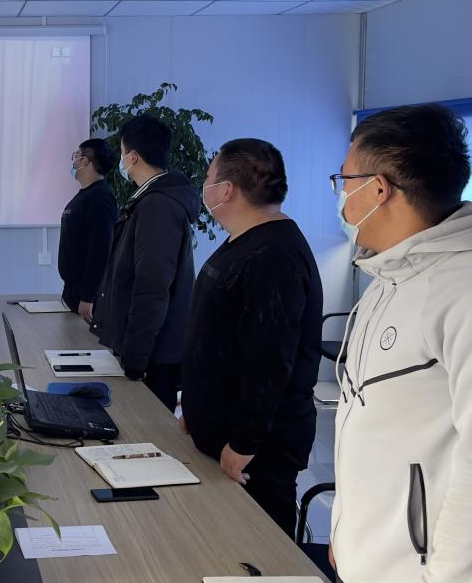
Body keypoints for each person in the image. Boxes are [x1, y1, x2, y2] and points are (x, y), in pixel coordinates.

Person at [330, 105, 472, 583]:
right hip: (368, 561)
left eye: (344, 180)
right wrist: (346, 534)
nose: (341, 194)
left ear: (378, 189)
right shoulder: (389, 278)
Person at [178, 138, 322, 536]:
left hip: (257, 448)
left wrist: (245, 443)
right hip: (221, 429)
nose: (204, 183)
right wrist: (196, 407)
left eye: (209, 176)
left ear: (226, 190)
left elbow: (270, 360)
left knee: (260, 545)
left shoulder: (275, 254)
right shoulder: (244, 239)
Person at [93, 115, 199, 410]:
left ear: (134, 156)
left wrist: (135, 357)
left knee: (147, 427)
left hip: (154, 354)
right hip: (148, 349)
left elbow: (152, 286)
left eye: (123, 152)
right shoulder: (149, 199)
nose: (122, 160)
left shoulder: (157, 205)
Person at [58, 138, 118, 321]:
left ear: (85, 161)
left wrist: (88, 297)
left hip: (88, 298)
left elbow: (101, 249)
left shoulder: (101, 197)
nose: (73, 161)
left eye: (76, 156)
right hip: (73, 291)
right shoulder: (85, 195)